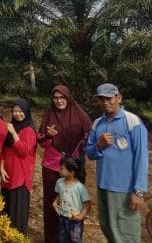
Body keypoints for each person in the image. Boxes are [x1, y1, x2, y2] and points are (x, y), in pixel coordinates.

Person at [85, 83, 148, 243]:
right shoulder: (97, 123)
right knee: (108, 228)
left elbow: (141, 158)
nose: (105, 102)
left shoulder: (132, 122)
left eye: (109, 98)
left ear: (119, 98)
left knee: (126, 233)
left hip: (124, 189)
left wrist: (138, 191)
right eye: (102, 99)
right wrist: (99, 145)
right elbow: (90, 154)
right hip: (103, 186)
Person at [38, 85, 91, 243]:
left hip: (73, 168)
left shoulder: (80, 115)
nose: (59, 101)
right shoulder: (49, 114)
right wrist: (48, 136)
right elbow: (42, 143)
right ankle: (52, 239)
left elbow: (88, 139)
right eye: (55, 98)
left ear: (68, 98)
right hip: (52, 166)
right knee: (52, 204)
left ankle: (73, 238)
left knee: (74, 203)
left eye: (62, 97)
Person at [0, 99, 37, 234]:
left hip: (20, 177)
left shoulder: (29, 130)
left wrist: (14, 133)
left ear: (26, 112)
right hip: (8, 175)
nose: (17, 114)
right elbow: (4, 150)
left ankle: (17, 238)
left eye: (20, 111)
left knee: (17, 213)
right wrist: (1, 168)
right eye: (15, 111)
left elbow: (23, 151)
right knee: (6, 211)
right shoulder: (12, 127)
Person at [52, 157, 90, 243]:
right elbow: (60, 193)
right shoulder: (60, 182)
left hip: (75, 220)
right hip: (62, 217)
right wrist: (55, 202)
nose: (59, 171)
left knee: (75, 240)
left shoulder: (80, 187)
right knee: (62, 239)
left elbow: (87, 204)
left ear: (72, 172)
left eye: (62, 169)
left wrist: (81, 216)